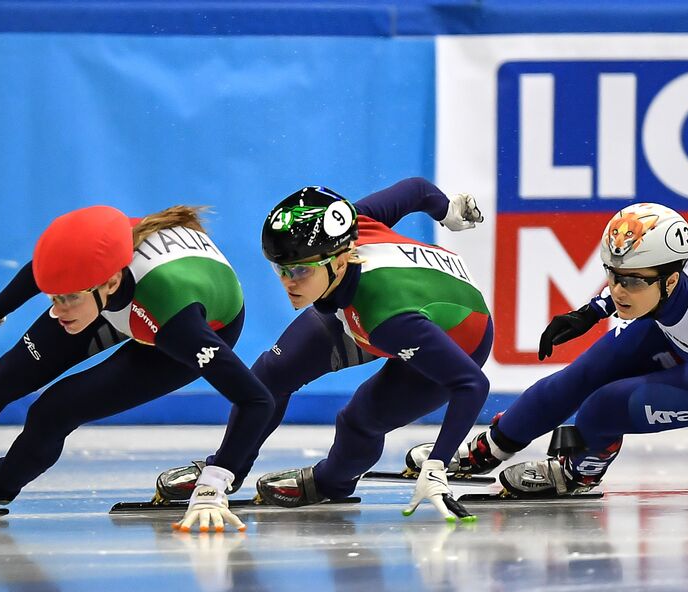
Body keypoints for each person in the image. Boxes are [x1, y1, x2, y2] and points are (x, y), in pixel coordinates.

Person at [0, 204, 273, 532]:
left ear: (108, 282)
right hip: (121, 300)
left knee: (56, 408)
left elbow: (257, 399)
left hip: (186, 319)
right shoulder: (82, 273)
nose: (58, 308)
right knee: (7, 375)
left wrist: (218, 481)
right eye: (54, 296)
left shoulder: (176, 323)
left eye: (67, 298)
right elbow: (44, 273)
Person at [409, 202, 688, 511]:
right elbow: (634, 274)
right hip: (676, 325)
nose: (618, 290)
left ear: (672, 279)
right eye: (611, 275)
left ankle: (579, 473)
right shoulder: (665, 266)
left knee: (603, 408)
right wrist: (591, 311)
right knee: (577, 377)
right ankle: (489, 450)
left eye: (631, 282)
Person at [154, 178, 492, 521]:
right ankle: (228, 468)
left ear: (340, 261)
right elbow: (418, 190)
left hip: (456, 337)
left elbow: (472, 384)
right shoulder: (351, 223)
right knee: (270, 375)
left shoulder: (387, 320)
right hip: (388, 299)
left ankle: (332, 482)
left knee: (358, 420)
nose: (288, 282)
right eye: (280, 268)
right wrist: (447, 211)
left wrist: (437, 466)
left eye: (300, 270)